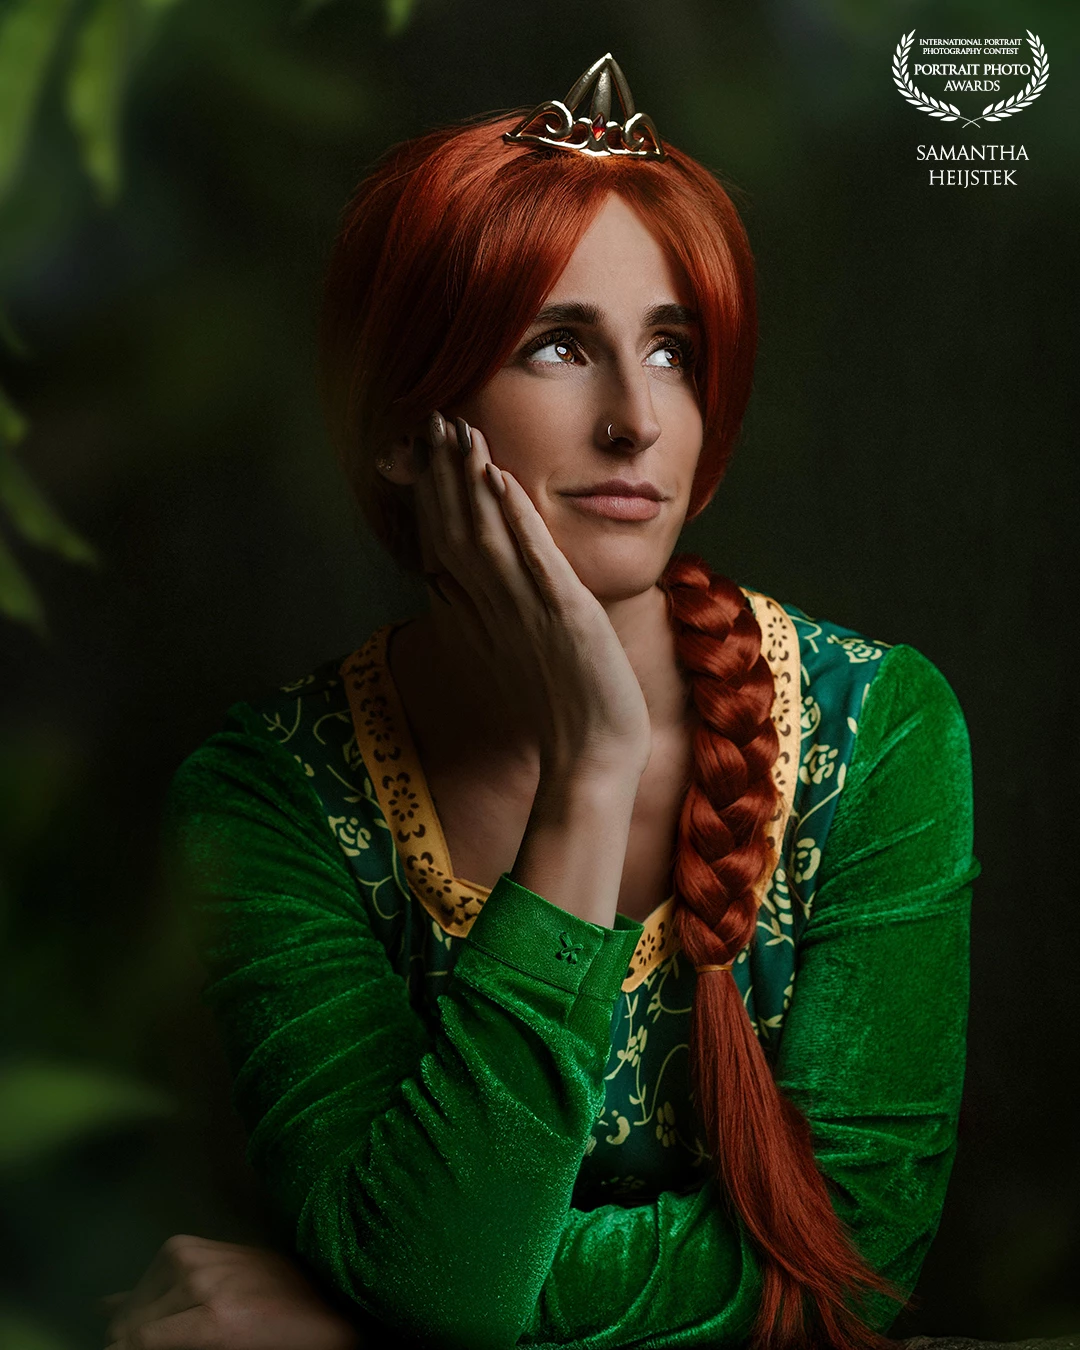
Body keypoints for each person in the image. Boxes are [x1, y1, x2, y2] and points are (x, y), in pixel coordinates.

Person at [101, 55, 977, 1350]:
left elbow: (845, 1268)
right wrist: (591, 767)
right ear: (400, 421)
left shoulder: (880, 729)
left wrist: (375, 1323)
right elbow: (430, 1267)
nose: (637, 421)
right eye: (558, 345)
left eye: (673, 351)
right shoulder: (268, 792)